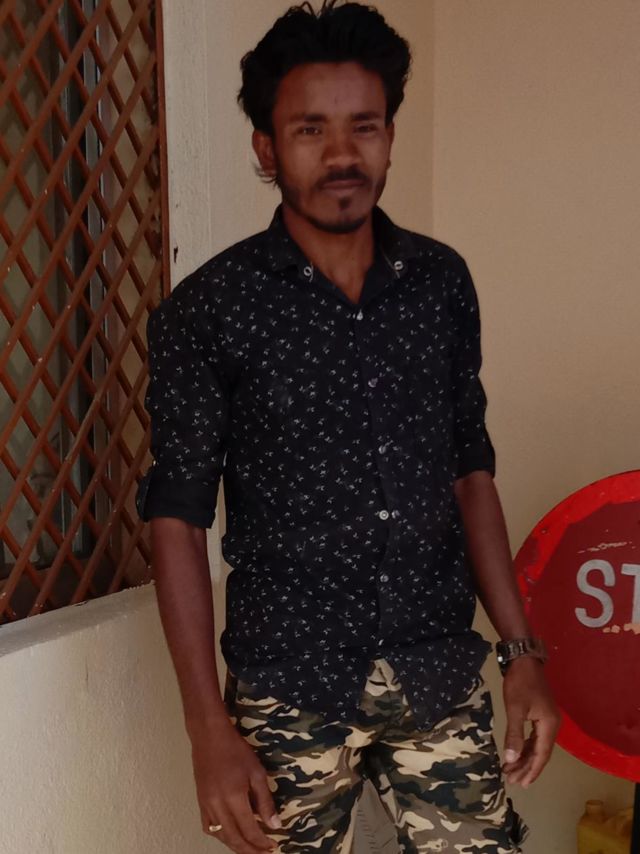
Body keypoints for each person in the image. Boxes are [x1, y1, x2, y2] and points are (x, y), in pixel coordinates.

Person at [136, 2, 560, 852]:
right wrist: (206, 726)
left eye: (363, 126)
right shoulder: (211, 311)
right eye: (309, 129)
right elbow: (176, 517)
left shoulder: (439, 285)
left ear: (390, 137)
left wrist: (522, 656)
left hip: (436, 667)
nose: (341, 154)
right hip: (290, 684)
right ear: (267, 149)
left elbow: (469, 471)